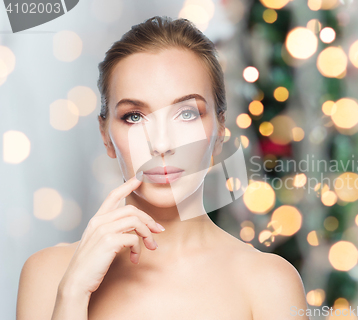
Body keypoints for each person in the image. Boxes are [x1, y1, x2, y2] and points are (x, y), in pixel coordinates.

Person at [16, 16, 309, 319]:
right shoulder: (50, 275)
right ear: (106, 135)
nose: (161, 144)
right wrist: (72, 296)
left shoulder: (269, 282)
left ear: (220, 129)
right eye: (134, 116)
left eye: (186, 114)